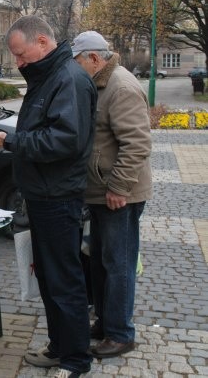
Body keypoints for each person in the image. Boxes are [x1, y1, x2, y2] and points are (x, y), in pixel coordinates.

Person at [0, 15, 97, 378]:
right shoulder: (47, 78)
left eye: (21, 55)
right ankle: (60, 347)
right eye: (15, 57)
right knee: (49, 277)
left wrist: (9, 141)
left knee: (64, 280)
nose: (19, 63)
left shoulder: (67, 79)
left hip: (58, 197)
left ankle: (75, 361)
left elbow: (64, 142)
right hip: (42, 195)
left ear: (42, 42)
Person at [71, 31, 152, 359]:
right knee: (101, 262)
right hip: (102, 192)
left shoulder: (120, 86)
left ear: (94, 58)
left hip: (120, 194)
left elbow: (137, 143)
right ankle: (106, 323)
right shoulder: (100, 83)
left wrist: (118, 186)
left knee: (118, 264)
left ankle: (121, 333)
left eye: (78, 63)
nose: (76, 70)